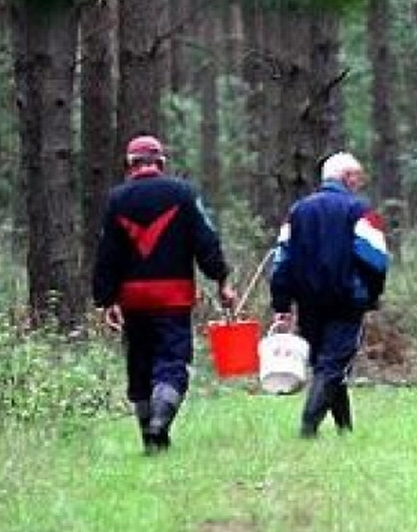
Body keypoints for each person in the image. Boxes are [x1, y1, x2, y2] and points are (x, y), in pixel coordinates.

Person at [92, 134, 236, 454]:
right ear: (161, 163)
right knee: (172, 361)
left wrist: (107, 300)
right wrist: (221, 279)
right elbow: (206, 241)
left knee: (140, 365)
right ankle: (161, 419)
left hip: (133, 300)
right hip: (173, 297)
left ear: (130, 164)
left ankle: (150, 437)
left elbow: (107, 254)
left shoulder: (117, 199)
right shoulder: (183, 194)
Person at [269, 151, 389, 438]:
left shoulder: (297, 211)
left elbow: (281, 260)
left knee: (327, 362)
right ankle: (308, 427)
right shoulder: (359, 210)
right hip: (348, 299)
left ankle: (344, 429)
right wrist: (372, 292)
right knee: (333, 364)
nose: (360, 183)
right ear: (347, 177)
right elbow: (376, 258)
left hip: (308, 301)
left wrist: (282, 303)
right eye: (358, 177)